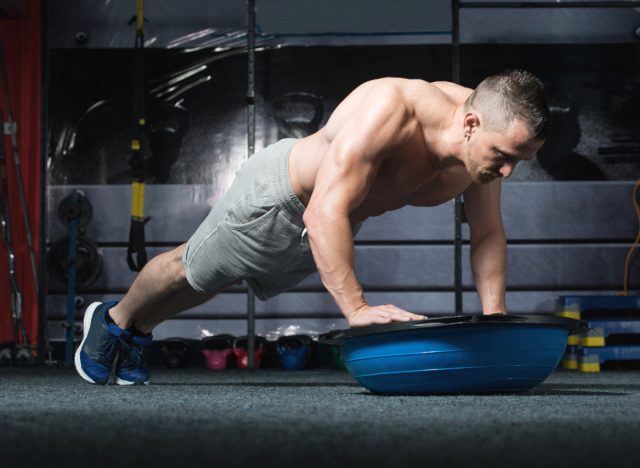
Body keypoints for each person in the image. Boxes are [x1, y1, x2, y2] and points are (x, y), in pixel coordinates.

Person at [75, 69, 549, 385]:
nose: (507, 171)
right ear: (470, 122)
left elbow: (486, 232)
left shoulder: (483, 150)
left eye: (518, 162)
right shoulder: (394, 110)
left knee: (214, 278)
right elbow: (322, 211)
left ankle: (140, 331)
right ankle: (112, 321)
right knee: (191, 266)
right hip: (282, 195)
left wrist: (495, 318)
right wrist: (357, 308)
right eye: (504, 157)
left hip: (336, 218)